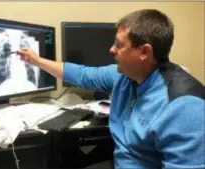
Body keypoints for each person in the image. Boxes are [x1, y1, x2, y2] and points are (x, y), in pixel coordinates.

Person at [17, 9, 205, 169]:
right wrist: (36, 60)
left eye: (119, 45)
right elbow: (81, 74)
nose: (111, 50)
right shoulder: (123, 76)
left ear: (144, 52)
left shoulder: (184, 107)